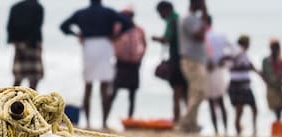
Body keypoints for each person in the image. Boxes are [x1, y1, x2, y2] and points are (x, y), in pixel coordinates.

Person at [59, 0, 134, 129]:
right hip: (105, 44)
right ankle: (104, 122)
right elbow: (128, 23)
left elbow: (64, 26)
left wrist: (76, 34)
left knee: (88, 87)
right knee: (105, 88)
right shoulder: (108, 12)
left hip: (89, 46)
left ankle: (87, 122)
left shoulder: (81, 13)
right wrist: (117, 34)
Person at [172, 0, 208, 133]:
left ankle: (191, 125)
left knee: (194, 93)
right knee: (200, 92)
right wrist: (205, 12)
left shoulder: (193, 19)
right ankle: (185, 122)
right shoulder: (188, 19)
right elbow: (199, 36)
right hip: (192, 60)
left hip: (196, 60)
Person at [151, 1, 188, 125]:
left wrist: (156, 39)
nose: (160, 16)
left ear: (166, 10)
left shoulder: (172, 20)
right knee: (184, 92)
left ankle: (177, 120)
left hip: (176, 60)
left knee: (177, 92)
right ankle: (187, 120)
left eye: (160, 13)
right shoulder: (180, 19)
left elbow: (167, 38)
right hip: (184, 59)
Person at [111, 6, 148, 122]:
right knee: (114, 92)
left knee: (132, 94)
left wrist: (140, 59)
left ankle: (130, 119)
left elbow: (144, 45)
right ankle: (105, 119)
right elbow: (112, 41)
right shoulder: (117, 29)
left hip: (133, 64)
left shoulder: (139, 30)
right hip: (121, 63)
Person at [223, 35, 263, 136]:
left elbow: (249, 65)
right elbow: (233, 62)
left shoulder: (240, 52)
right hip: (239, 84)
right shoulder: (238, 51)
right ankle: (245, 131)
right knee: (244, 109)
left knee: (241, 110)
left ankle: (246, 131)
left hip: (240, 84)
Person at [204, 15, 233, 133]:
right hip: (219, 71)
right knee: (221, 101)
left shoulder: (203, 37)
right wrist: (224, 59)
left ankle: (216, 130)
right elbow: (234, 50)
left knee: (211, 102)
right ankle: (225, 130)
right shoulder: (221, 35)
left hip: (208, 71)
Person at [7, 0, 44, 90]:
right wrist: (29, 42)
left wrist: (15, 42)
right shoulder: (38, 7)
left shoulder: (15, 7)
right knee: (34, 79)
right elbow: (37, 26)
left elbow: (9, 27)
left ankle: (12, 101)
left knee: (18, 78)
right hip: (33, 45)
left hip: (18, 45)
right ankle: (31, 102)